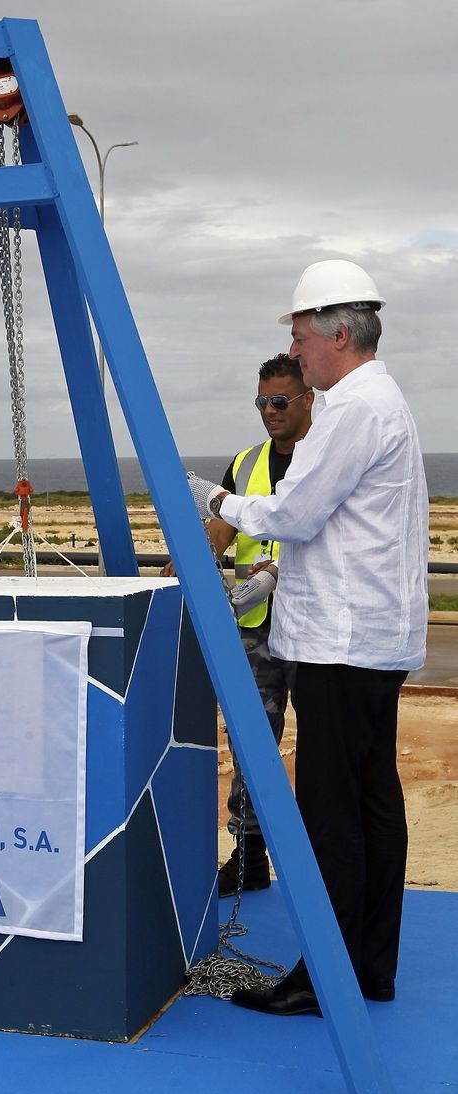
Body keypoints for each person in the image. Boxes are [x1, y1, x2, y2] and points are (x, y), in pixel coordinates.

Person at [189, 260, 428, 1014]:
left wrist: (213, 496)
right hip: (367, 640)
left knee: (332, 814)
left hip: (340, 643)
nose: (294, 355)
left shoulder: (354, 408)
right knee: (369, 803)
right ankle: (368, 967)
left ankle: (326, 976)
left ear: (334, 334)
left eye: (298, 340)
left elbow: (292, 514)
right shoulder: (376, 402)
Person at [207, 354, 312, 897]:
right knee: (250, 741)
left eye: (279, 402)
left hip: (316, 626)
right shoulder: (246, 463)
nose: (269, 412)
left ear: (307, 398)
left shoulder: (326, 457)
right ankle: (248, 857)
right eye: (261, 403)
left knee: (321, 748)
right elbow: (224, 525)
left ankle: (320, 862)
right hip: (256, 626)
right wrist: (195, 556)